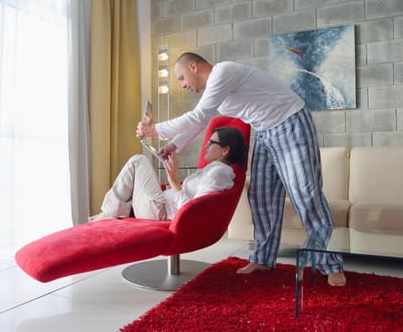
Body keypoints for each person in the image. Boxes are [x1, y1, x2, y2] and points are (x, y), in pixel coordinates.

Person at [136, 52, 346, 286]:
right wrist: (173, 145)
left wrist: (155, 129)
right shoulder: (216, 89)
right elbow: (201, 121)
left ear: (193, 67)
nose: (183, 85)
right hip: (266, 131)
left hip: (290, 121)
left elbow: (199, 115)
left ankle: (331, 265)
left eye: (181, 78)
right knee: (261, 197)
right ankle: (263, 259)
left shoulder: (223, 71)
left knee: (306, 195)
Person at [89, 127, 246, 222]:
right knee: (138, 166)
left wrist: (173, 179)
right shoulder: (214, 169)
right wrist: (172, 178)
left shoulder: (218, 173)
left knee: (138, 161)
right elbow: (189, 195)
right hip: (161, 204)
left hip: (160, 211)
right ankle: (112, 211)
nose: (206, 145)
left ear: (225, 150)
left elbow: (193, 212)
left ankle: (109, 212)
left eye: (212, 143)